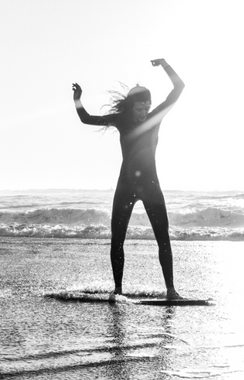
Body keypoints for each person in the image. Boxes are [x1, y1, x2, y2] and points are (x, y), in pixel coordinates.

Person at [72, 58, 184, 301]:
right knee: (117, 239)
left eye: (147, 107)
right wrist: (77, 98)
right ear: (130, 107)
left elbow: (179, 88)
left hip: (151, 187)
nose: (144, 113)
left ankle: (171, 290)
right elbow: (86, 118)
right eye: (139, 109)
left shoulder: (156, 117)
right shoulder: (121, 121)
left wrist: (165, 65)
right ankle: (118, 290)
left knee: (163, 238)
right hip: (126, 186)